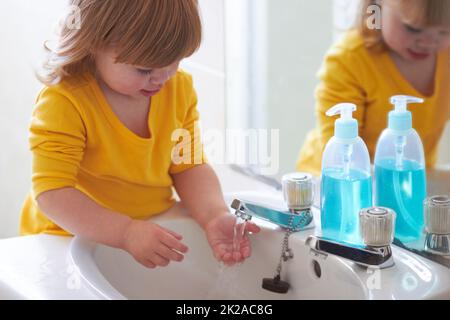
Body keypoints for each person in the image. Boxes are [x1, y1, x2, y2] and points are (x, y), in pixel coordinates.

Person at [20, 0, 260, 269]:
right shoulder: (66, 101)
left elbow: (189, 166)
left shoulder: (177, 90)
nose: (162, 78)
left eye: (174, 62)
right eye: (144, 70)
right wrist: (125, 232)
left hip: (147, 225)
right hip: (66, 236)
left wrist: (214, 215)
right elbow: (53, 193)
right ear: (93, 44)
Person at [297, 0, 450, 176]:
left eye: (444, 31)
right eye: (413, 28)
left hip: (407, 179)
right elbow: (341, 153)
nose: (428, 42)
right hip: (335, 180)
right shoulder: (349, 61)